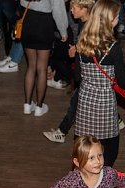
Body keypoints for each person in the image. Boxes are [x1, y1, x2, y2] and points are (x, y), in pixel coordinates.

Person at [73, 0, 125, 167]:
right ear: (109, 21)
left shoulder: (81, 42)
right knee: (110, 149)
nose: (118, 20)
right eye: (116, 17)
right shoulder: (114, 48)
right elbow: (123, 83)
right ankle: (101, 180)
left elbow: (77, 76)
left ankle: (83, 182)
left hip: (85, 101)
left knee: (83, 147)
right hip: (105, 103)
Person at [43, 0, 95, 144]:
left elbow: (92, 52)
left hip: (89, 75)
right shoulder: (85, 23)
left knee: (75, 103)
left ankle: (61, 132)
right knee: (77, 102)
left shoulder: (89, 26)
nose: (71, 10)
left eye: (75, 7)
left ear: (85, 9)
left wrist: (77, 51)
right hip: (87, 75)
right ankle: (116, 119)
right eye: (71, 6)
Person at [20, 0, 68, 117]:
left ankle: (27, 105)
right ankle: (39, 107)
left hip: (27, 20)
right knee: (42, 68)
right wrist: (63, 30)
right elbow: (58, 9)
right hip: (44, 24)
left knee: (31, 66)